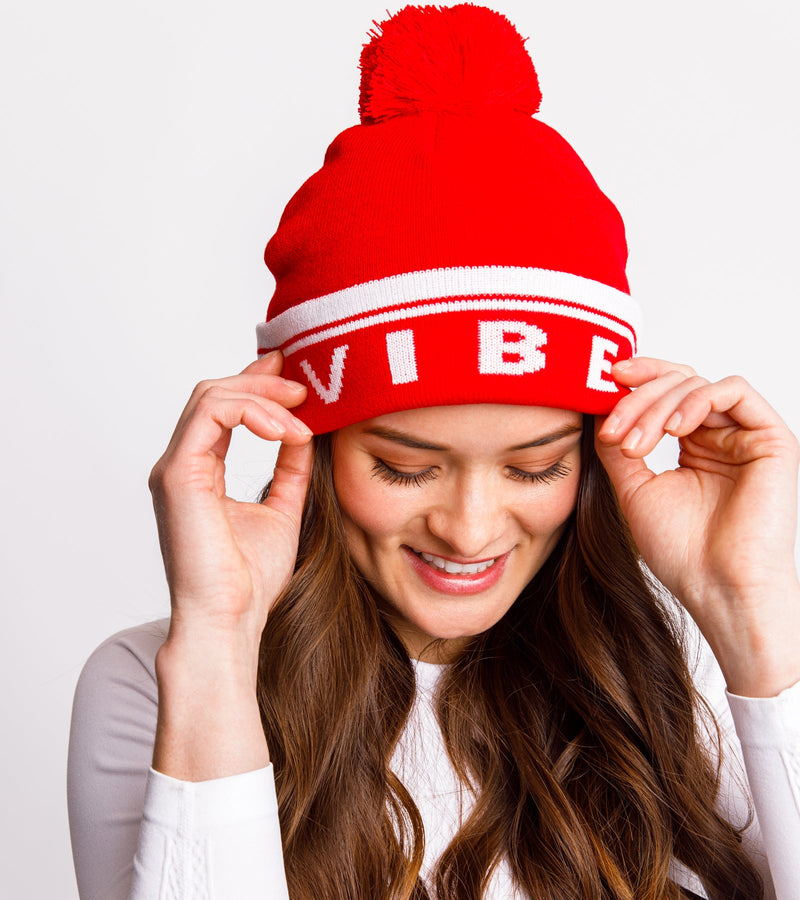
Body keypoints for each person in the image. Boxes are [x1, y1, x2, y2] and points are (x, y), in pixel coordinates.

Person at [68, 5, 800, 899]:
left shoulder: (668, 696)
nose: (469, 528)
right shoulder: (156, 684)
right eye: (406, 466)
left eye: (535, 466)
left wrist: (749, 608)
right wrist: (220, 638)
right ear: (316, 447)